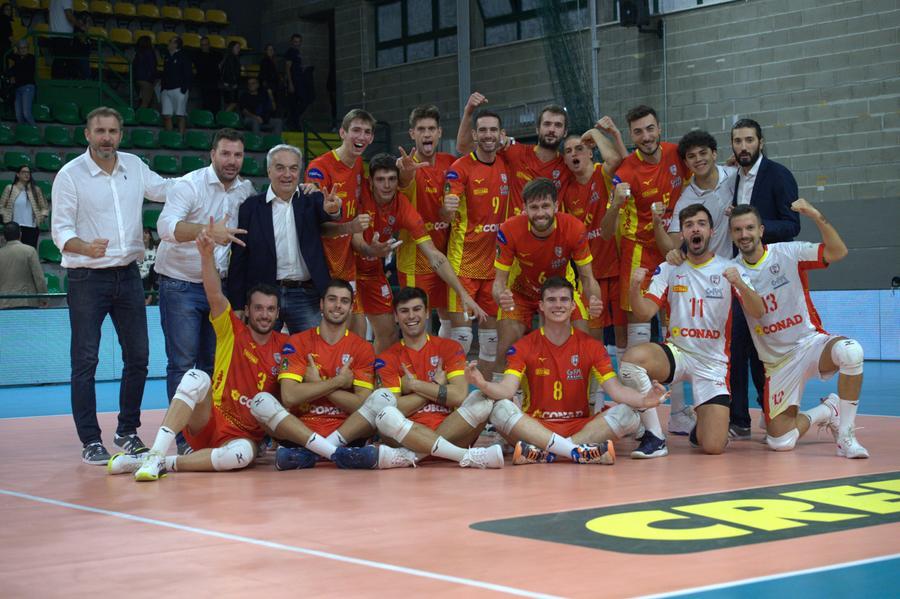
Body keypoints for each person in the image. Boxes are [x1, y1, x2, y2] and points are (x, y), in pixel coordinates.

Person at [107, 223, 287, 480]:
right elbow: (214, 293)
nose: (264, 314)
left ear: (278, 313)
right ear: (247, 310)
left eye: (270, 309)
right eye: (259, 308)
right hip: (209, 418)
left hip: (242, 436)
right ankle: (156, 452)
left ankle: (158, 462)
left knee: (241, 457)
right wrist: (206, 256)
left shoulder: (285, 346)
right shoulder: (232, 329)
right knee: (196, 376)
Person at [51, 106, 173, 464]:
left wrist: (209, 175)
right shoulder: (69, 175)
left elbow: (165, 189)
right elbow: (60, 230)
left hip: (128, 275)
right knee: (85, 360)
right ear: (87, 134)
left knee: (139, 357)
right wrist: (84, 247)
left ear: (121, 134)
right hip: (86, 276)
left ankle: (127, 432)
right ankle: (90, 439)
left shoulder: (134, 166)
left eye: (113, 131)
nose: (107, 138)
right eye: (100, 131)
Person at [466, 276, 666, 465]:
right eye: (551, 300)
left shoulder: (592, 346)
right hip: (535, 427)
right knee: (500, 407)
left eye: (564, 300)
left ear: (572, 306)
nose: (558, 305)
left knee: (629, 414)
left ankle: (545, 454)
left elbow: (616, 391)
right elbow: (507, 390)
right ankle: (577, 452)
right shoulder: (524, 346)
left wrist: (643, 401)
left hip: (580, 426)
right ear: (541, 307)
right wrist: (481, 384)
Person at [620, 204, 764, 458]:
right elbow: (644, 313)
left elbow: (759, 311)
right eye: (688, 225)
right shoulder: (669, 268)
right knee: (632, 360)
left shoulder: (729, 269)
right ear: (683, 234)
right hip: (678, 353)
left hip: (713, 363)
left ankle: (703, 426)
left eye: (700, 223)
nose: (695, 229)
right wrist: (634, 286)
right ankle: (655, 436)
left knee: (713, 447)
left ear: (711, 231)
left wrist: (740, 283)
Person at [729, 202, 868, 458]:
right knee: (780, 442)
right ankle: (828, 411)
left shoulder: (788, 252)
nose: (744, 234)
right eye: (737, 230)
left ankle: (847, 437)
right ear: (732, 235)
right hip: (778, 364)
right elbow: (758, 311)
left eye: (749, 227)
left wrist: (816, 215)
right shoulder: (732, 271)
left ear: (761, 230)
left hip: (809, 344)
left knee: (851, 352)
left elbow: (838, 252)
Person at [155, 128, 253, 453]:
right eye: (225, 153)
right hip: (179, 284)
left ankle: (209, 433)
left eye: (237, 155)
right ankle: (183, 440)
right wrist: (208, 231)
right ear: (212, 154)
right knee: (182, 364)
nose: (231, 161)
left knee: (214, 365)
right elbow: (166, 227)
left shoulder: (246, 190)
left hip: (218, 286)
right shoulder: (189, 184)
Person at [600, 105, 693, 434]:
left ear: (659, 128)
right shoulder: (625, 171)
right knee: (639, 332)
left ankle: (681, 411)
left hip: (675, 249)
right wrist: (616, 203)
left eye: (650, 129)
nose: (646, 136)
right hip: (639, 252)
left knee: (677, 328)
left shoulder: (675, 155)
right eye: (638, 131)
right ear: (632, 136)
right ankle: (638, 412)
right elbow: (606, 229)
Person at [352, 153, 486, 352]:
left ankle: (380, 379)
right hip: (346, 269)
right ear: (370, 181)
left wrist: (463, 294)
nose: (387, 185)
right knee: (355, 332)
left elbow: (434, 255)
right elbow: (356, 242)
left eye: (391, 179)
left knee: (389, 334)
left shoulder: (403, 207)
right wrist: (369, 249)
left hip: (372, 271)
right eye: (380, 180)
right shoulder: (360, 196)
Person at [228, 144, 367, 333]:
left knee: (314, 356)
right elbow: (239, 259)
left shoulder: (313, 200)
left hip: (307, 295)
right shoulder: (250, 208)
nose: (287, 174)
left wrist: (333, 209)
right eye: (280, 168)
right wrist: (237, 304)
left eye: (293, 168)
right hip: (264, 297)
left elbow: (329, 213)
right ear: (269, 171)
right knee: (262, 357)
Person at [368, 287, 503, 469]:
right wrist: (434, 387)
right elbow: (396, 407)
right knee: (386, 415)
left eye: (417, 309)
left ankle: (413, 456)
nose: (411, 316)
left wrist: (415, 385)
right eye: (404, 311)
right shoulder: (387, 358)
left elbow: (458, 396)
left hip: (453, 430)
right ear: (395, 316)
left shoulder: (449, 347)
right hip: (406, 435)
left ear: (426, 313)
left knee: (483, 401)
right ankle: (464, 456)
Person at [729, 118, 802, 438]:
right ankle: (739, 418)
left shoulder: (779, 175)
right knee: (738, 343)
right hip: (741, 270)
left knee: (765, 347)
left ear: (761, 141)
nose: (743, 146)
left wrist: (753, 230)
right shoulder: (734, 177)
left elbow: (792, 225)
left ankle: (770, 407)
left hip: (772, 275)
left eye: (749, 140)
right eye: (737, 141)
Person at [492, 177, 602, 379]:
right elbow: (499, 282)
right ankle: (500, 404)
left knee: (584, 341)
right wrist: (501, 296)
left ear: (556, 206)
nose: (540, 213)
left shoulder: (574, 228)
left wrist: (594, 300)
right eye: (534, 207)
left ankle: (590, 402)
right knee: (506, 347)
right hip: (520, 293)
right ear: (524, 208)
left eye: (545, 206)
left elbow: (587, 278)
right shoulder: (509, 229)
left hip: (560, 293)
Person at [273, 279, 385, 470]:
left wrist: (319, 384)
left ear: (351, 307)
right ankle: (336, 455)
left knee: (384, 399)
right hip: (303, 430)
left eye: (344, 301)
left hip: (346, 434)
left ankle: (313, 453)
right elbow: (289, 397)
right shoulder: (298, 341)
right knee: (262, 401)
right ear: (321, 304)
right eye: (332, 299)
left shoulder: (362, 348)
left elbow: (362, 405)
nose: (338, 306)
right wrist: (338, 382)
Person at [443, 108, 510, 376]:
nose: (488, 135)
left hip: (496, 267)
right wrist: (447, 208)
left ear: (501, 134)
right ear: (474, 134)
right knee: (460, 339)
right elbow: (445, 212)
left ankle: (485, 399)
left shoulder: (508, 162)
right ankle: (449, 398)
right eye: (482, 130)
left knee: (491, 343)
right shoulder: (459, 168)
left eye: (493, 130)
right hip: (463, 265)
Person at [305, 108, 375, 336]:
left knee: (357, 326)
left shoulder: (357, 164)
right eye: (356, 130)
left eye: (366, 132)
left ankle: (358, 372)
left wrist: (369, 248)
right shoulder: (320, 166)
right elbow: (317, 222)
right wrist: (328, 208)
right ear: (342, 133)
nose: (361, 137)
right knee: (324, 333)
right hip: (322, 264)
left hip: (346, 261)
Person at [563, 124, 627, 362]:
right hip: (590, 273)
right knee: (593, 336)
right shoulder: (567, 190)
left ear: (590, 152)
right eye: (568, 151)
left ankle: (628, 393)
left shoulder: (603, 172)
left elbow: (616, 158)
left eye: (579, 148)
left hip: (618, 266)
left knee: (623, 337)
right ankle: (597, 398)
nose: (574, 154)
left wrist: (597, 134)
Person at [395, 105, 457, 338]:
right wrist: (406, 172)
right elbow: (403, 180)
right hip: (416, 260)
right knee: (417, 323)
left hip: (447, 256)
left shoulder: (451, 162)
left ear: (440, 132)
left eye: (431, 129)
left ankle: (443, 370)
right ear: (412, 134)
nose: (427, 134)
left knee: (450, 321)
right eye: (421, 129)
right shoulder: (405, 164)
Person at [656, 130, 737, 260]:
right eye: (692, 156)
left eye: (703, 153)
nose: (698, 159)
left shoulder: (736, 175)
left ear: (714, 154)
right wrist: (657, 225)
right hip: (710, 271)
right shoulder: (685, 200)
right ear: (686, 163)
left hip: (744, 264)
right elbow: (672, 246)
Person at [0, 221, 48, 309]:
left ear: (4, 236)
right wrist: (44, 298)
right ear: (20, 234)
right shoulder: (30, 251)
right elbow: (39, 278)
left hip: (3, 303)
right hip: (27, 301)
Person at [1, 165, 48, 248]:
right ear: (18, 174)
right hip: (14, 228)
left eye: (28, 172)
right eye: (23, 172)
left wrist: (41, 218)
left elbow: (44, 207)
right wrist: (6, 218)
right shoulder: (10, 188)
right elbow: (1, 206)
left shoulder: (36, 190)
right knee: (15, 253)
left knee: (30, 253)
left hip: (32, 228)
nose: (27, 174)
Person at [160, 36, 191, 135]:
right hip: (166, 90)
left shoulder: (183, 56)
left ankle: (181, 138)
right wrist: (163, 89)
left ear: (176, 44)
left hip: (179, 90)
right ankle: (170, 137)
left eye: (170, 41)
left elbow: (188, 73)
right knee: (166, 115)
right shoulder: (167, 57)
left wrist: (184, 89)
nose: (168, 43)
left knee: (180, 115)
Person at [49, 0, 87, 79]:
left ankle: (56, 82)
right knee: (64, 60)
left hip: (54, 34)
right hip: (64, 35)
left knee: (59, 60)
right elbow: (69, 16)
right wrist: (81, 26)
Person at [9, 39, 36, 126]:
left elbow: (24, 70)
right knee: (19, 116)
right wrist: (12, 76)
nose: (23, 49)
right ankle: (24, 134)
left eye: (25, 48)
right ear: (18, 49)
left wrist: (16, 55)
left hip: (27, 87)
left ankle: (36, 132)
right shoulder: (17, 59)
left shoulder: (31, 58)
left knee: (26, 114)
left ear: (28, 49)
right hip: (18, 89)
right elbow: (9, 58)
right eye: (21, 48)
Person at [284, 33, 308, 129]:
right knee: (298, 102)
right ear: (292, 42)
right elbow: (287, 68)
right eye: (295, 42)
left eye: (298, 42)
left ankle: (294, 121)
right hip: (294, 82)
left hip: (298, 81)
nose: (297, 44)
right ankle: (292, 122)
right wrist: (290, 83)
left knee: (300, 102)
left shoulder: (297, 53)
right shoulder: (291, 52)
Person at [194, 36, 221, 113]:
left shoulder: (216, 55)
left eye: (205, 44)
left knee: (215, 104)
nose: (204, 46)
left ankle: (215, 121)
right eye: (202, 45)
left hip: (214, 82)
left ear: (209, 45)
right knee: (203, 103)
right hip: (202, 83)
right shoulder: (196, 55)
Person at [132, 35, 158, 110]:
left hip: (138, 79)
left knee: (143, 101)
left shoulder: (138, 53)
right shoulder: (150, 52)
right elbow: (152, 67)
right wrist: (153, 79)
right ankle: (139, 118)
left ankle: (141, 117)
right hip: (147, 80)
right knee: (145, 103)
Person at [258, 43, 280, 116]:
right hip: (268, 87)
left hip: (273, 86)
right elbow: (263, 76)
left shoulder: (273, 61)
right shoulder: (265, 61)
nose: (271, 51)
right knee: (269, 105)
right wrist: (268, 88)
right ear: (265, 51)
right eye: (269, 49)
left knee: (273, 105)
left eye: (272, 50)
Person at [220, 41, 242, 113]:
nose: (239, 49)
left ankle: (225, 120)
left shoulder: (228, 57)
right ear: (232, 48)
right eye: (237, 47)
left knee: (229, 104)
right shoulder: (231, 58)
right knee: (233, 103)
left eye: (239, 48)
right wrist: (233, 83)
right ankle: (223, 118)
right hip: (231, 85)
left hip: (228, 85)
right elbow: (231, 72)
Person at [139, 227, 157, 305]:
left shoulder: (156, 250)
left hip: (150, 280)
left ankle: (148, 300)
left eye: (146, 233)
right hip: (137, 279)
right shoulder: (135, 250)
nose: (144, 235)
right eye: (142, 233)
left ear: (150, 236)